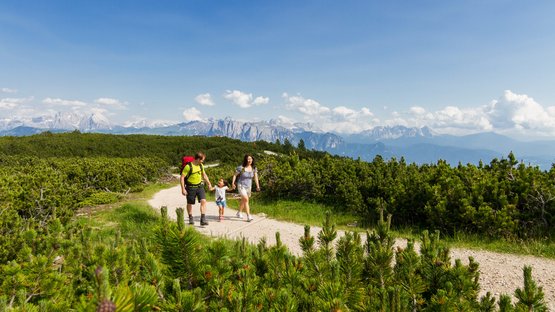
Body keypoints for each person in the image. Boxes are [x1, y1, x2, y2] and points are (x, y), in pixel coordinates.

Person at [180, 151, 212, 226]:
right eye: (202, 160)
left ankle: (202, 219)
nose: (203, 161)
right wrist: (183, 189)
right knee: (190, 203)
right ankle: (191, 217)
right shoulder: (188, 166)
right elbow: (182, 177)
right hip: (190, 187)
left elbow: (204, 175)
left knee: (203, 201)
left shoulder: (201, 165)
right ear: (198, 159)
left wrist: (209, 183)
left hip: (200, 186)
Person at [231, 154, 260, 222]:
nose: (249, 160)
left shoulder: (254, 168)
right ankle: (248, 216)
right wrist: (233, 183)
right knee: (246, 199)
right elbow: (235, 175)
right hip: (241, 185)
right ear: (245, 160)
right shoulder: (242, 168)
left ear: (252, 159)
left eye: (250, 159)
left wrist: (258, 186)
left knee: (244, 200)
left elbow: (256, 177)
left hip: (249, 186)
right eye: (248, 159)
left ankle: (239, 212)